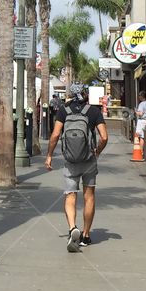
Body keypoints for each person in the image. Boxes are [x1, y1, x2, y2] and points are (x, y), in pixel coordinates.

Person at [45, 87, 108, 252]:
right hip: (89, 159)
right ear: (85, 95)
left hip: (70, 160)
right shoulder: (93, 111)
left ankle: (73, 228)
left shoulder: (64, 111)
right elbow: (104, 137)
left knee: (70, 196)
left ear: (70, 95)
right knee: (89, 197)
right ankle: (86, 236)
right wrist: (97, 152)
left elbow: (55, 135)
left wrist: (49, 156)